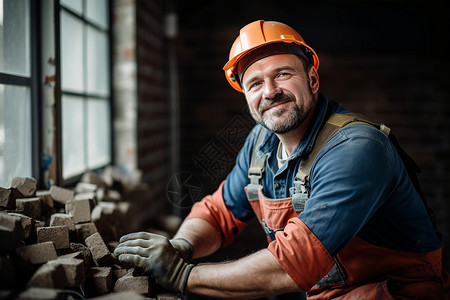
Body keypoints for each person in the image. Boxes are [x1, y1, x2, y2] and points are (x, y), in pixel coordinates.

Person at [114, 20, 450, 299]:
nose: (270, 90)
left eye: (283, 74)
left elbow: (293, 264)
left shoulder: (358, 149)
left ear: (313, 80)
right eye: (254, 83)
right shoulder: (261, 142)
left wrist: (181, 274)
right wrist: (181, 246)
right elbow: (218, 214)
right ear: (246, 98)